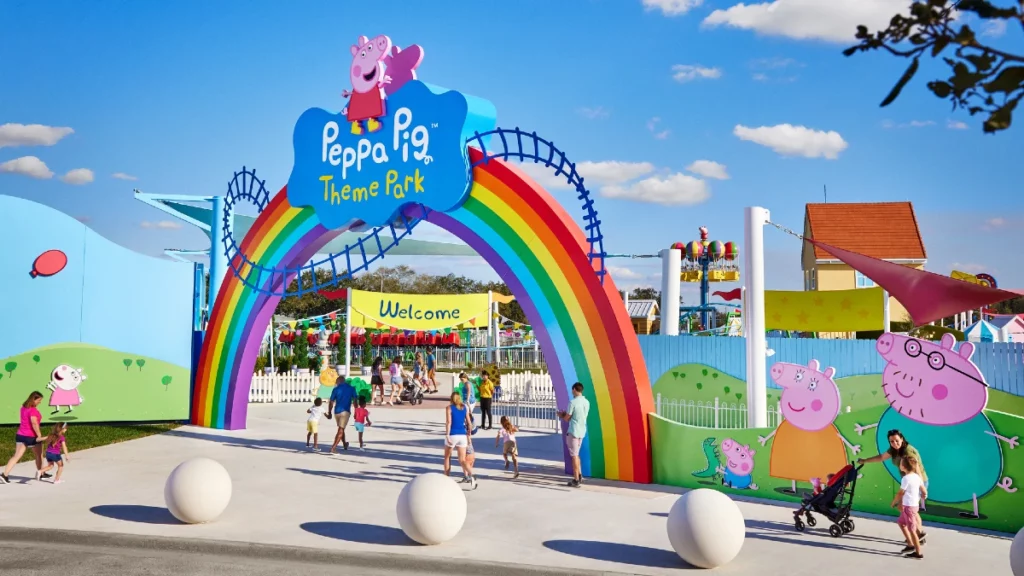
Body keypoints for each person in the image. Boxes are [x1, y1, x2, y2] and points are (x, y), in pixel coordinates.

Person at [858, 429, 928, 543]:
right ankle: (918, 534)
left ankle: (917, 535)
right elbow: (881, 457)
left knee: (908, 509)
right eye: (892, 441)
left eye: (896, 440)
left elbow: (917, 470)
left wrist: (922, 487)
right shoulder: (894, 450)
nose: (895, 443)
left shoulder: (908, 452)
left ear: (902, 439)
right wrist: (865, 460)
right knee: (911, 510)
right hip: (909, 481)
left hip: (917, 482)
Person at [1, 391, 49, 484]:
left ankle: (4, 475)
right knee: (39, 455)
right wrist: (39, 435)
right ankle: (41, 473)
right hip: (31, 436)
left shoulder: (23, 408)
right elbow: (34, 422)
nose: (40, 402)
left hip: (20, 435)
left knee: (16, 456)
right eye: (39, 400)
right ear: (33, 399)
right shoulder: (33, 410)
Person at [892, 455, 927, 559]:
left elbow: (900, 493)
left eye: (901, 463)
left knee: (912, 530)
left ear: (904, 466)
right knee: (901, 523)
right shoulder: (917, 477)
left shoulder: (906, 479)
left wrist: (894, 502)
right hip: (913, 506)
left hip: (908, 507)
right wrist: (924, 495)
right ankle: (910, 545)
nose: (900, 465)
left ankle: (918, 553)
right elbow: (923, 490)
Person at [557, 382, 590, 488]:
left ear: (575, 390)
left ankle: (576, 479)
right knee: (577, 454)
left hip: (573, 431)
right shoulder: (586, 402)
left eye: (572, 390)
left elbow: (567, 418)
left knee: (574, 456)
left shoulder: (573, 402)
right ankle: (579, 475)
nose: (572, 392)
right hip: (582, 431)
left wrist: (561, 415)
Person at [444, 391, 476, 490]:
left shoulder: (449, 408)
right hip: (462, 436)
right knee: (462, 459)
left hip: (453, 434)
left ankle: (446, 478)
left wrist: (447, 435)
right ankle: (471, 474)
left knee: (447, 457)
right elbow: (469, 422)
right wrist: (469, 432)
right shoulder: (464, 408)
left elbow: (449, 422)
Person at [327, 376, 356, 453]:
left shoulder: (336, 389)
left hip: (337, 412)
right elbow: (355, 401)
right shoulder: (351, 388)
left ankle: (345, 444)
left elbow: (331, 402)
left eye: (336, 382)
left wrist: (329, 412)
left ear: (339, 381)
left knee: (341, 428)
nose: (336, 384)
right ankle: (333, 447)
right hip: (345, 411)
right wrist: (356, 411)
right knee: (341, 429)